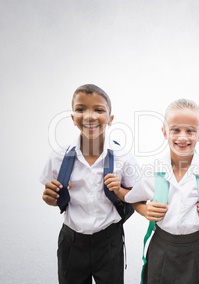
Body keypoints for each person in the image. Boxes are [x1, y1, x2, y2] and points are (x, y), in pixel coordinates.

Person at [40, 84, 139, 284]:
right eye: (81, 109)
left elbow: (136, 195)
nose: (89, 116)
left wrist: (120, 189)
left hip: (109, 241)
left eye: (99, 110)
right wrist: (49, 197)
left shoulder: (123, 157)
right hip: (72, 241)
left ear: (111, 119)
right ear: (72, 118)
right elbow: (49, 194)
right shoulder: (59, 156)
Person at [117, 99, 199, 284]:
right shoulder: (152, 171)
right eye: (175, 129)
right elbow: (132, 198)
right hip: (162, 248)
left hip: (198, 249)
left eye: (190, 130)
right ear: (164, 132)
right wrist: (144, 210)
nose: (183, 137)